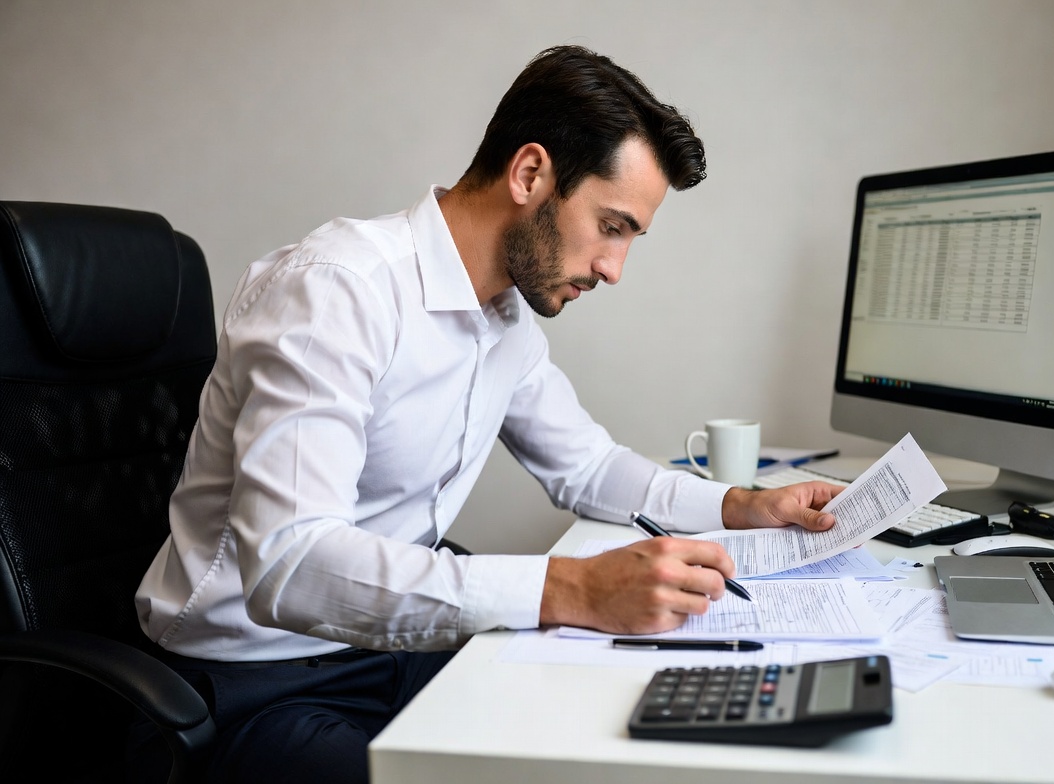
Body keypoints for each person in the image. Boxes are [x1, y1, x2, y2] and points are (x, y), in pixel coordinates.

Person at [130, 44, 843, 783]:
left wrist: (741, 505)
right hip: (250, 683)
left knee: (599, 734)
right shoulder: (337, 291)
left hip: (389, 650)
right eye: (612, 226)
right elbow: (292, 564)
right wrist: (573, 588)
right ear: (530, 174)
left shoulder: (504, 319)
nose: (614, 269)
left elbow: (588, 467)